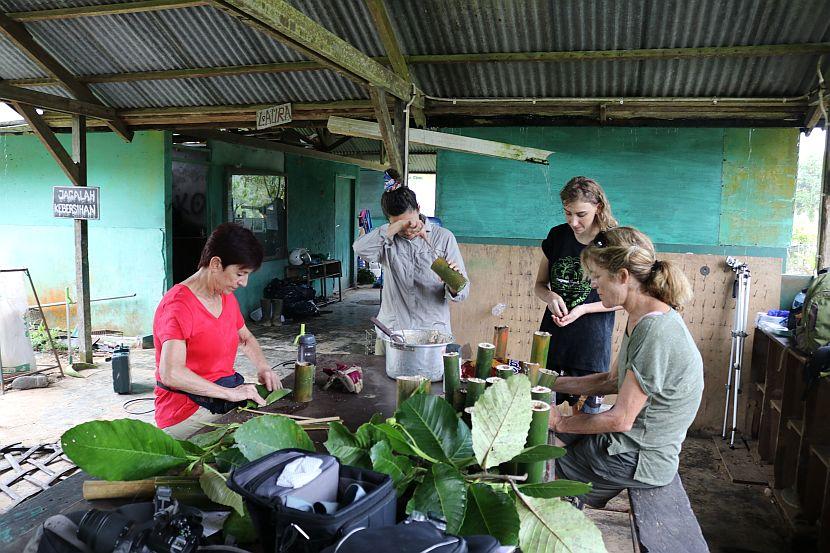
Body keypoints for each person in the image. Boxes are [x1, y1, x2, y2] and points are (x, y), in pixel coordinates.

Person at [549, 226, 704, 507]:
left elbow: (621, 419)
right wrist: (549, 383)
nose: (592, 285)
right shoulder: (641, 314)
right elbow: (611, 380)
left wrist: (559, 421)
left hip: (640, 455)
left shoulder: (654, 330)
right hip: (629, 440)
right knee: (548, 435)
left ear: (623, 277)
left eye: (596, 277)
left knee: (536, 473)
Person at [153, 223, 282, 439]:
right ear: (216, 264)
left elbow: (245, 339)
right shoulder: (178, 307)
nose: (244, 283)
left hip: (219, 397)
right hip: (185, 410)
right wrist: (230, 394)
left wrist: (264, 367)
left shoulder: (225, 297)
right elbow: (171, 374)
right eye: (240, 273)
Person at [353, 169, 469, 354]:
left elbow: (463, 293)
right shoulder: (387, 240)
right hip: (392, 334)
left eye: (409, 221)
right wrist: (393, 228)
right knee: (385, 381)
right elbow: (360, 249)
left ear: (419, 209)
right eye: (399, 225)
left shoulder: (443, 238)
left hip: (432, 335)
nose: (407, 230)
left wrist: (453, 285)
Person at [533, 176, 620, 413]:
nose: (573, 221)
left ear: (598, 207)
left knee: (585, 417)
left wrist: (583, 309)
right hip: (553, 340)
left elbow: (623, 299)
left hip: (590, 344)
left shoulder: (612, 241)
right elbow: (540, 284)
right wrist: (550, 297)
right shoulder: (557, 236)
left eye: (581, 214)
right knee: (543, 415)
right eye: (567, 213)